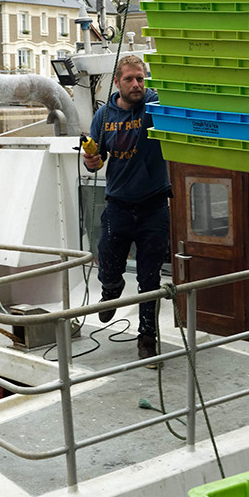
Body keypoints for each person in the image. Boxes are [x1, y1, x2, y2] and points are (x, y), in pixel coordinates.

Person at [83, 53, 171, 360]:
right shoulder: (103, 117)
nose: (137, 84)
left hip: (154, 206)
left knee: (150, 279)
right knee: (107, 258)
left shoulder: (155, 106)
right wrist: (91, 160)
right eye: (130, 79)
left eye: (141, 78)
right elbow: (95, 160)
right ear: (117, 82)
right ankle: (111, 288)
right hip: (118, 205)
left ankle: (147, 338)